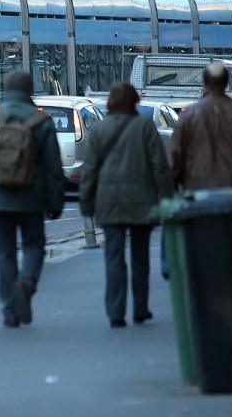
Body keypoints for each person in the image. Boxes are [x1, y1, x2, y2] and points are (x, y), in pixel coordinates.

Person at [0, 69, 66, 328]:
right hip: (32, 198)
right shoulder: (42, 122)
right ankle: (26, 285)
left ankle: (10, 309)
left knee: (5, 253)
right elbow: (54, 168)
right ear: (30, 90)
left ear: (5, 89)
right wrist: (56, 202)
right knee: (33, 246)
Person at [79, 81, 173, 328]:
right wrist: (167, 198)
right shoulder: (144, 127)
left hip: (109, 202)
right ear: (134, 102)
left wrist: (86, 203)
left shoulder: (99, 130)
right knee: (140, 256)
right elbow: (160, 167)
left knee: (114, 256)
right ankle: (140, 307)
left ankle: (115, 311)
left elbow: (89, 171)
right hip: (142, 201)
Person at [170, 62, 232, 189]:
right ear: (226, 83)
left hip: (198, 189)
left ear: (204, 83)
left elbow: (175, 157)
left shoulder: (188, 116)